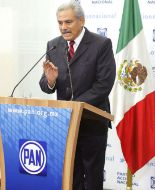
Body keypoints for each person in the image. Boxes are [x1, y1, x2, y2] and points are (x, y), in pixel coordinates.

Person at [39, 2, 116, 190]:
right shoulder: (54, 45)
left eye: (68, 22)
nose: (63, 27)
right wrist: (50, 81)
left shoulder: (101, 44)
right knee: (70, 176)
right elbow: (45, 86)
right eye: (60, 23)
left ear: (81, 20)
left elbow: (103, 85)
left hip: (92, 122)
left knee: (92, 178)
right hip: (64, 124)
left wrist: (73, 106)